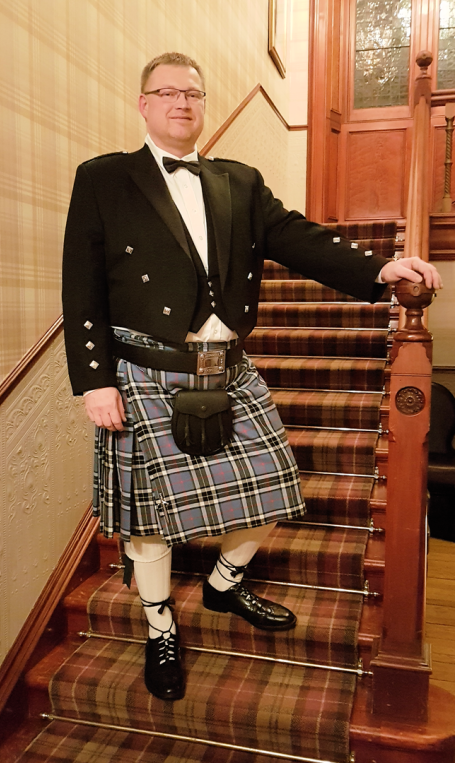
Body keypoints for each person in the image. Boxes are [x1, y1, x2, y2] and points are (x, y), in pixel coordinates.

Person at [62, 52, 442, 702]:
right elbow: (81, 286)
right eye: (167, 92)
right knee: (148, 520)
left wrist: (378, 269)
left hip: (224, 365)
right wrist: (94, 380)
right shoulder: (103, 178)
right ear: (144, 104)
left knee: (274, 486)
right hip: (145, 368)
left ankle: (223, 582)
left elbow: (297, 237)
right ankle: (159, 626)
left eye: (192, 93)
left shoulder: (238, 180)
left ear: (202, 105)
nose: (181, 102)